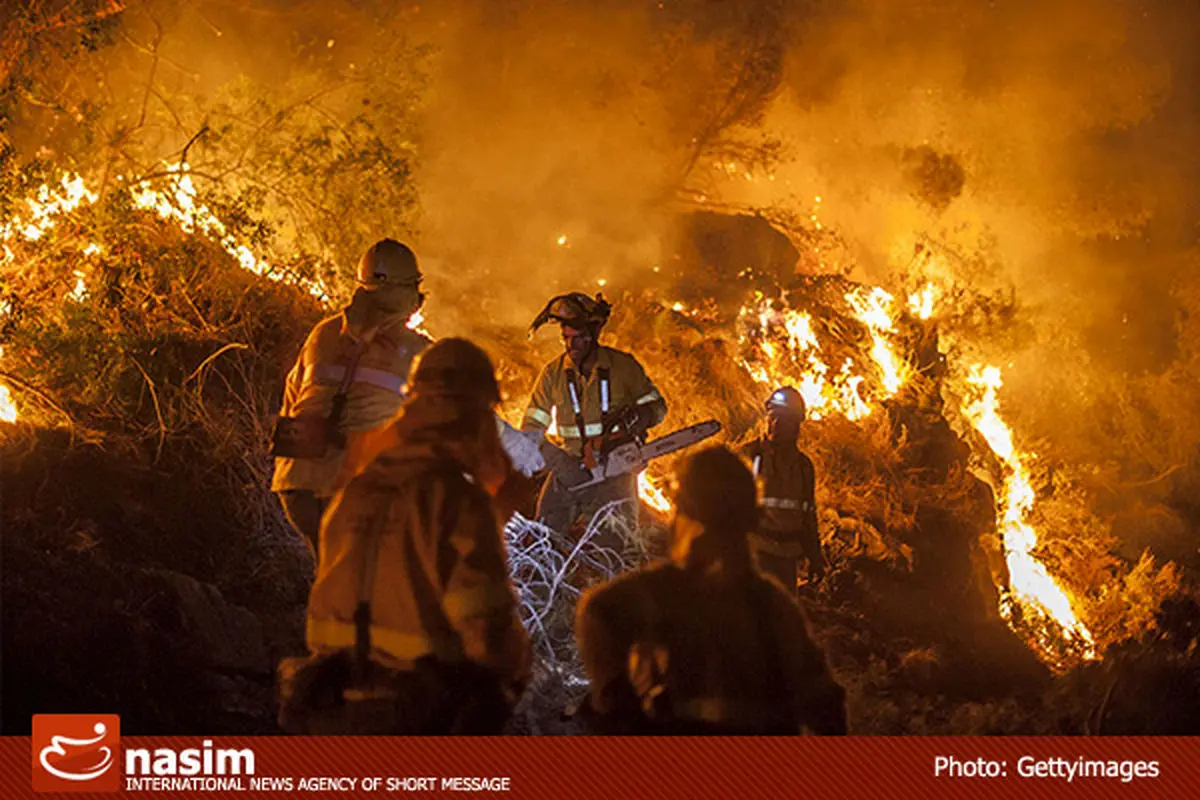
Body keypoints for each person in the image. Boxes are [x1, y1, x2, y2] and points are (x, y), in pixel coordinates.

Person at [282, 338, 531, 735]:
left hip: (332, 709)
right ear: (473, 413)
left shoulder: (356, 493)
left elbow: (399, 568)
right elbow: (488, 633)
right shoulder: (457, 501)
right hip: (414, 713)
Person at [574, 445, 847, 735]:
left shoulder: (663, 593)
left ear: (684, 511)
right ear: (752, 519)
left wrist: (617, 698)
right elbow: (826, 708)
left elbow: (598, 611)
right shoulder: (772, 606)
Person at [271, 239, 431, 555]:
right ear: (411, 297)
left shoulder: (323, 332)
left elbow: (290, 400)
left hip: (297, 484)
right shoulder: (420, 352)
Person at [521, 292, 667, 535]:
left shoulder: (623, 367)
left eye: (578, 339)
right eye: (565, 338)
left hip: (616, 473)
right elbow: (530, 430)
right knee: (543, 538)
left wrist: (639, 419)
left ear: (593, 336)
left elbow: (658, 406)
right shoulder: (553, 374)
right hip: (569, 470)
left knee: (616, 545)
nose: (571, 345)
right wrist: (561, 463)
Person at [739, 387, 825, 594]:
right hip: (754, 553)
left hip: (786, 560)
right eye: (772, 417)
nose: (775, 424)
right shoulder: (751, 456)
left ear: (796, 425)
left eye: (783, 419)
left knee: (779, 620)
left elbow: (807, 515)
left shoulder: (804, 467)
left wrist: (815, 556)